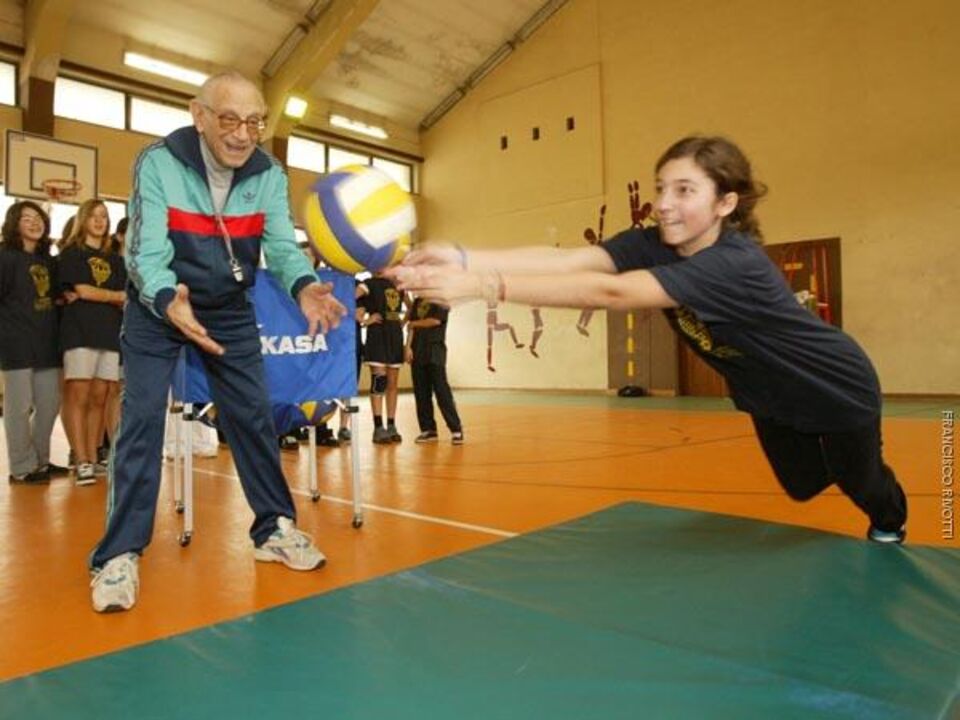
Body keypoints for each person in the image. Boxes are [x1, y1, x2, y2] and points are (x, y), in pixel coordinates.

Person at [388, 135, 908, 545]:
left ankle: (890, 521)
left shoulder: (734, 263)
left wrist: (484, 286)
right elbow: (569, 260)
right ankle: (848, 463)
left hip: (833, 387)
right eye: (661, 188)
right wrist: (462, 256)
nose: (663, 204)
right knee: (801, 486)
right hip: (769, 396)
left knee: (860, 482)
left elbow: (613, 292)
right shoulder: (652, 243)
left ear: (726, 203)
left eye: (684, 191)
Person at [89, 71, 346, 613]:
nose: (242, 134)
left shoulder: (269, 173)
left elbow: (282, 246)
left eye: (254, 122)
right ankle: (118, 555)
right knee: (141, 421)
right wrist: (167, 299)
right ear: (199, 115)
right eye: (229, 119)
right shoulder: (158, 162)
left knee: (253, 416)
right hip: (158, 306)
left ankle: (273, 530)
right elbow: (144, 251)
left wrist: (303, 286)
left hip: (228, 309)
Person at [58, 199, 126, 485]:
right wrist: (109, 296)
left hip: (109, 334)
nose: (99, 221)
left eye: (104, 216)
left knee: (101, 396)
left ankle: (94, 456)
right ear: (83, 220)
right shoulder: (72, 253)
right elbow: (83, 290)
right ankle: (81, 459)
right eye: (94, 216)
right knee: (80, 395)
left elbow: (124, 297)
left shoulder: (115, 259)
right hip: (79, 333)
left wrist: (98, 295)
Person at [0, 201, 65, 484]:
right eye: (26, 218)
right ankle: (21, 467)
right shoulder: (5, 257)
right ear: (14, 223)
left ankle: (40, 460)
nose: (34, 222)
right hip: (16, 342)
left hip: (47, 342)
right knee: (18, 407)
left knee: (49, 405)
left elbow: (57, 297)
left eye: (38, 218)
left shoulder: (49, 261)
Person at [405, 296, 463, 445]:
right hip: (417, 350)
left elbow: (435, 321)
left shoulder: (441, 300)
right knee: (421, 392)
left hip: (435, 351)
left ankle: (456, 429)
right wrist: (408, 347)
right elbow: (411, 327)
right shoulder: (417, 302)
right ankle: (428, 430)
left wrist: (414, 323)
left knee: (441, 391)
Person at [358, 273, 406, 443]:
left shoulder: (398, 285)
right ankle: (378, 427)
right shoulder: (367, 284)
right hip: (378, 337)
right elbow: (348, 299)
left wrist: (402, 323)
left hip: (395, 337)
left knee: (392, 384)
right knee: (379, 382)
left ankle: (391, 425)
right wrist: (365, 321)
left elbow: (411, 308)